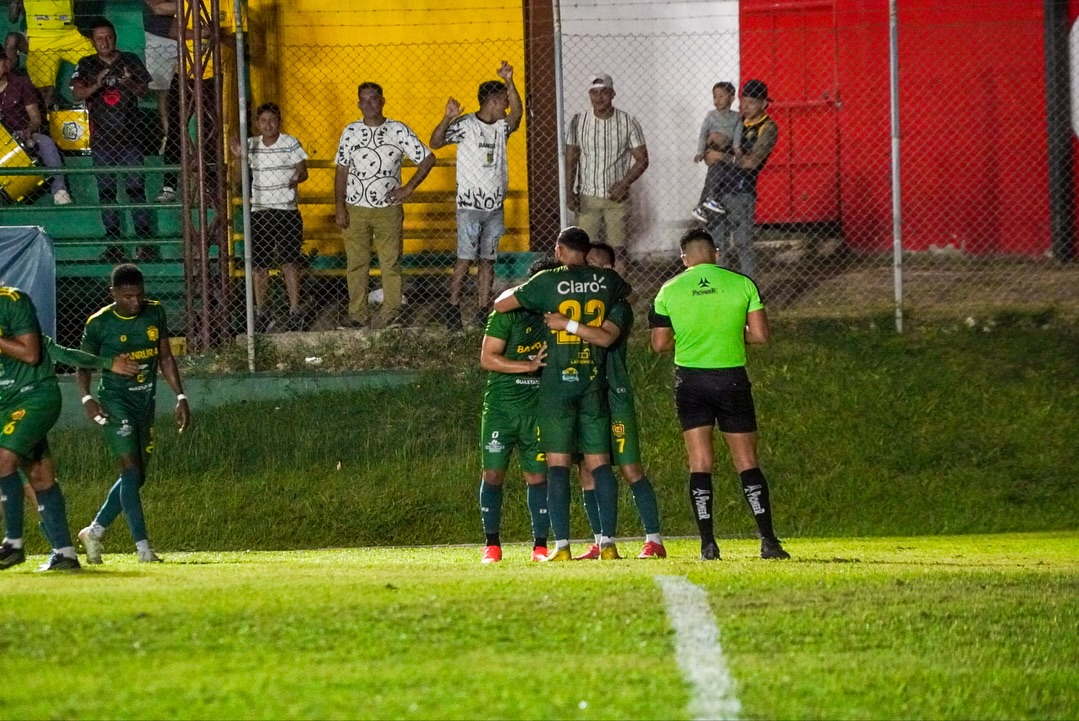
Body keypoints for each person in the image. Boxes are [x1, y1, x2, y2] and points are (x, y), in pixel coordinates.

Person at [649, 229, 791, 561]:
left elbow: (659, 344)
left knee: (700, 463)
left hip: (690, 381)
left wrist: (692, 338)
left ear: (684, 258)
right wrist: (727, 333)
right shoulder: (742, 283)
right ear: (716, 253)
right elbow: (760, 335)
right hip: (731, 379)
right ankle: (768, 541)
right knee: (747, 461)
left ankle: (708, 545)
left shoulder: (668, 289)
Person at [493, 226, 630, 561]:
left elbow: (501, 304)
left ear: (559, 250)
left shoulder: (548, 280)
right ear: (587, 250)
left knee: (558, 465)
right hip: (593, 380)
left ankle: (563, 546)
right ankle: (608, 543)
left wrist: (533, 295)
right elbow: (628, 296)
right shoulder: (607, 280)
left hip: (556, 383)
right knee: (599, 464)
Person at [0, 285, 139, 571]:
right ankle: (64, 553)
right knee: (39, 477)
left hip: (33, 399)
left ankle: (13, 544)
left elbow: (49, 353)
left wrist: (107, 363)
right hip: (6, 406)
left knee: (3, 461)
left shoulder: (12, 302)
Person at [543, 242, 665, 560]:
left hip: (614, 394)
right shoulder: (577, 303)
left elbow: (604, 337)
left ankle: (654, 539)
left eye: (596, 266)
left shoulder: (617, 307)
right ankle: (600, 541)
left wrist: (567, 324)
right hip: (585, 394)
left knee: (630, 467)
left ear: (609, 271)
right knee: (587, 468)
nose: (590, 273)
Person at [76, 263, 191, 564]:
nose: (135, 302)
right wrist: (87, 398)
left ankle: (94, 531)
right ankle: (143, 549)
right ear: (113, 293)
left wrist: (180, 397)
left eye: (139, 295)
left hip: (144, 402)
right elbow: (83, 364)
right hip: (115, 403)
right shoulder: (99, 323)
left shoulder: (155, 312)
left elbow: (165, 357)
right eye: (127, 297)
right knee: (129, 471)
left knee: (137, 477)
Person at [476, 256, 558, 564]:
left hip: (538, 409)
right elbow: (487, 358)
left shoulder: (559, 316)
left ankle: (540, 546)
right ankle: (492, 545)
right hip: (502, 408)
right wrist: (528, 366)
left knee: (536, 475)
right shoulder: (507, 312)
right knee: (493, 473)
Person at [429, 61, 523, 330]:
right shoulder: (466, 125)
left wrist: (509, 81)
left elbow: (518, 114)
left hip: (494, 206)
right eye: (504, 99)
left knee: (488, 259)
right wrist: (447, 117)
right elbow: (435, 142)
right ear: (493, 101)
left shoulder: (501, 127)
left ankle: (483, 309)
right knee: (465, 258)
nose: (507, 104)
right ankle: (453, 307)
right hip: (470, 206)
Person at [334, 81, 435, 329]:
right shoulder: (351, 131)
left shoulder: (397, 130)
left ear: (382, 101)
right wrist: (339, 206)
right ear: (358, 104)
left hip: (388, 209)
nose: (368, 104)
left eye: (373, 98)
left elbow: (428, 158)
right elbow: (342, 170)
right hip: (355, 208)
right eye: (363, 100)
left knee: (390, 264)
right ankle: (357, 316)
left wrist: (408, 188)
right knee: (356, 264)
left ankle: (391, 314)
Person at [71, 18, 154, 254]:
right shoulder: (86, 63)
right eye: (99, 38)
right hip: (102, 139)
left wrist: (130, 83)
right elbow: (77, 94)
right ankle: (114, 245)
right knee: (107, 193)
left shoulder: (130, 60)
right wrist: (97, 84)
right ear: (92, 41)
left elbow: (145, 92)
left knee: (136, 191)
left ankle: (144, 244)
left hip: (130, 137)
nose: (104, 42)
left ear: (115, 38)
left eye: (108, 37)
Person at [231, 102, 309, 333]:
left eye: (272, 120)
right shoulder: (250, 145)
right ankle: (262, 312)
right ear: (257, 124)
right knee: (259, 265)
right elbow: (237, 180)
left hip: (286, 210)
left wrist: (297, 176)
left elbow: (303, 170)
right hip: (260, 211)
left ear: (280, 122)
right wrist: (239, 158)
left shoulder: (290, 142)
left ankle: (295, 310)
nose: (268, 125)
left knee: (289, 262)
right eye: (263, 121)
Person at [565, 73, 648, 274]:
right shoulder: (578, 121)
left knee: (618, 250)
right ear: (589, 95)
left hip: (616, 197)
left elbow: (642, 159)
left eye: (604, 92)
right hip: (587, 195)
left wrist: (624, 184)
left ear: (613, 94)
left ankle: (617, 286)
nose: (599, 97)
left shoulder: (628, 122)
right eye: (594, 93)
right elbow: (571, 159)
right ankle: (587, 286)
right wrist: (569, 192)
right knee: (584, 249)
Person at [700, 79, 778, 280]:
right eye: (743, 101)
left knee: (743, 243)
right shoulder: (736, 121)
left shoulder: (768, 127)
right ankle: (722, 288)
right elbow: (712, 152)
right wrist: (710, 147)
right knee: (718, 244)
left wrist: (721, 156)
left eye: (752, 102)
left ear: (764, 104)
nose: (746, 106)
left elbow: (752, 162)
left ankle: (749, 289)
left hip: (742, 191)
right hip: (719, 190)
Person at [0, 52, 70, 204]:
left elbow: (35, 118)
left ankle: (59, 190)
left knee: (45, 142)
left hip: (20, 133)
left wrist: (29, 131)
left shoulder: (21, 83)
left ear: (5, 63)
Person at [8, 0, 94, 107]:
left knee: (100, 61)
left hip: (69, 35)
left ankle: (98, 107)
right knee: (44, 92)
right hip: (40, 39)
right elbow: (12, 19)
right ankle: (47, 116)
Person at [691, 81, 742, 222]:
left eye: (721, 96)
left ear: (731, 98)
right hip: (713, 148)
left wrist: (736, 148)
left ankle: (701, 206)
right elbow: (703, 134)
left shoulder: (736, 117)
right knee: (716, 169)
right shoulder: (710, 116)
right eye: (714, 97)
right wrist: (700, 152)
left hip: (727, 150)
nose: (717, 100)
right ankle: (711, 198)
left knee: (713, 176)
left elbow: (737, 134)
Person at [142, 0, 177, 151]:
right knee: (165, 92)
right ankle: (171, 139)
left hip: (194, 34)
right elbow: (156, 7)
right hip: (160, 36)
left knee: (203, 87)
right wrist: (194, 7)